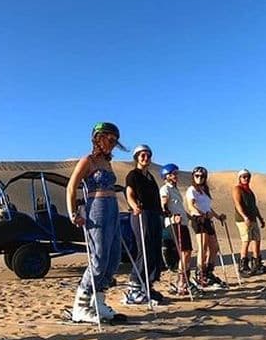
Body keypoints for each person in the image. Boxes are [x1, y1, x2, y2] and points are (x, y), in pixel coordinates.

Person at [66, 122, 126, 323]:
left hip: (112, 207)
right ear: (98, 138)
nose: (113, 143)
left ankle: (98, 302)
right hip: (97, 208)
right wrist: (73, 213)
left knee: (114, 256)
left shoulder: (107, 163)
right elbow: (71, 187)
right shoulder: (88, 161)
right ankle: (81, 305)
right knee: (99, 257)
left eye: (115, 141)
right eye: (110, 139)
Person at [124, 144, 165, 305]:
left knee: (155, 249)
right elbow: (129, 193)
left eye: (148, 155)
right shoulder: (133, 175)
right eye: (142, 155)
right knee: (145, 249)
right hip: (141, 214)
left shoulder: (150, 177)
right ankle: (134, 285)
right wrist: (134, 206)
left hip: (154, 214)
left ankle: (147, 284)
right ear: (137, 158)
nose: (146, 158)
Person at [159, 163, 198, 296]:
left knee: (187, 252)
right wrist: (170, 215)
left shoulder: (175, 190)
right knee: (184, 251)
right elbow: (164, 205)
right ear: (166, 176)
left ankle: (184, 280)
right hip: (174, 223)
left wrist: (190, 216)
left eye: (176, 173)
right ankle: (181, 282)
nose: (176, 176)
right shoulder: (165, 189)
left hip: (183, 223)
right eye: (173, 174)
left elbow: (179, 207)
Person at [185, 166, 227, 290]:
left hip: (207, 220)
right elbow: (191, 205)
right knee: (203, 247)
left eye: (202, 176)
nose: (200, 178)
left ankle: (208, 272)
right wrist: (202, 214)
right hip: (199, 220)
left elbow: (208, 208)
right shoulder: (191, 190)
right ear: (193, 176)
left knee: (214, 248)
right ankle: (200, 274)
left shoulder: (204, 191)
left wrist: (218, 217)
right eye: (197, 175)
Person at [232, 168, 266, 275]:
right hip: (243, 220)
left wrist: (260, 218)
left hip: (253, 219)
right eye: (244, 177)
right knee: (246, 240)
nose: (246, 178)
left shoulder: (250, 191)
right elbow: (237, 204)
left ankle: (257, 263)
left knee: (257, 240)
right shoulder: (237, 189)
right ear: (240, 178)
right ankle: (243, 265)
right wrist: (244, 217)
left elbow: (254, 207)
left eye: (248, 177)